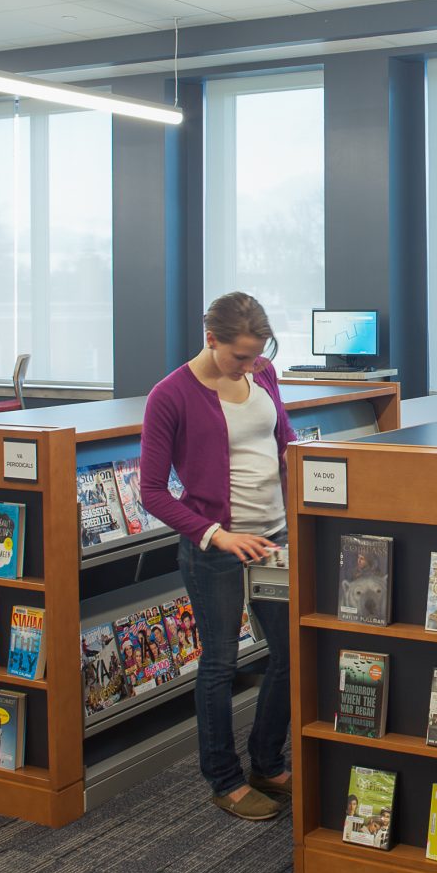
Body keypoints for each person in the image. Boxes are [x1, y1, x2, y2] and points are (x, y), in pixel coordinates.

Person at [142, 292, 295, 821]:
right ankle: (224, 780)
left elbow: (285, 445)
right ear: (211, 339)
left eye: (256, 354)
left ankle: (266, 762)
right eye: (239, 356)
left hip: (274, 539)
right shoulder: (171, 395)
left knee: (290, 654)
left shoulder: (265, 375)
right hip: (215, 551)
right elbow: (152, 493)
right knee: (220, 664)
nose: (249, 365)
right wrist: (217, 535)